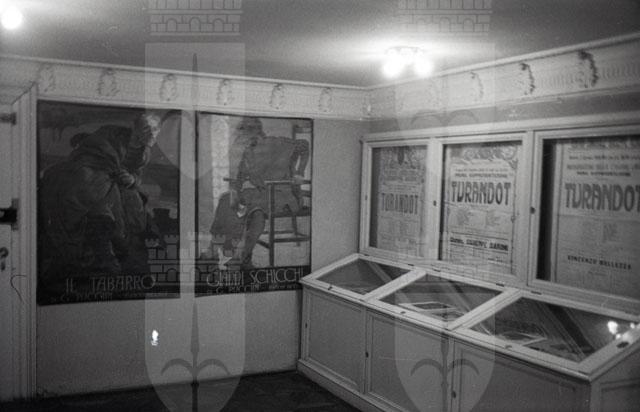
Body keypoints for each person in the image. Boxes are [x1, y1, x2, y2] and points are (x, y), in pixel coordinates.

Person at [39, 113, 161, 283]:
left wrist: (131, 179)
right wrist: (113, 170)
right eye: (147, 128)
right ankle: (104, 255)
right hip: (93, 172)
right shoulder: (111, 133)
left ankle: (113, 253)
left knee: (133, 205)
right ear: (135, 127)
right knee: (95, 191)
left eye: (156, 129)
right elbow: (90, 153)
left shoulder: (145, 153)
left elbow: (136, 174)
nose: (152, 133)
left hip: (118, 182)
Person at [208, 117, 309, 270]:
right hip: (261, 194)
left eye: (246, 137)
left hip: (282, 194)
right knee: (227, 200)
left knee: (255, 210)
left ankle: (242, 258)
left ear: (256, 133)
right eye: (243, 138)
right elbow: (241, 176)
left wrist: (300, 173)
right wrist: (235, 190)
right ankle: (215, 252)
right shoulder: (248, 152)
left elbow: (305, 145)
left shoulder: (277, 142)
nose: (244, 141)